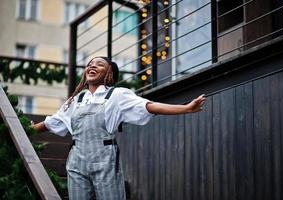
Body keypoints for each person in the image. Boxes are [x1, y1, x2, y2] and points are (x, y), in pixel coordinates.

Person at [32, 56, 206, 200]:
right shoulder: (76, 100)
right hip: (77, 159)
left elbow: (148, 106)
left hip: (105, 157)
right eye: (90, 64)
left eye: (99, 64)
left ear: (109, 73)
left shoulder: (117, 95)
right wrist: (29, 130)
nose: (92, 66)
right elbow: (52, 122)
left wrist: (185, 108)